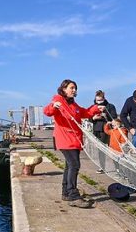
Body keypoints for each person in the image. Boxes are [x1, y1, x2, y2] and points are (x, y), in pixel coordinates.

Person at [44, 79, 103, 208]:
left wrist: (96, 108)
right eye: (72, 88)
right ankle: (73, 195)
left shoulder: (73, 104)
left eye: (75, 88)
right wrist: (54, 106)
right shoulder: (58, 100)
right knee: (74, 165)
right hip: (65, 139)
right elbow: (48, 111)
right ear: (64, 89)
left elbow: (84, 113)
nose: (74, 90)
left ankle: (66, 193)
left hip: (74, 140)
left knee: (69, 166)